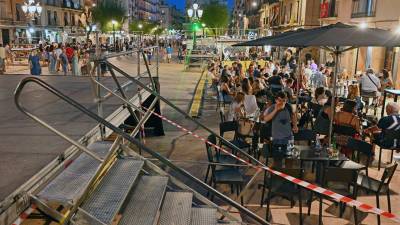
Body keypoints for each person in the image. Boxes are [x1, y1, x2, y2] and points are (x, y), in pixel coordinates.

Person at [260, 91, 298, 167]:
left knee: (289, 159)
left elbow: (293, 116)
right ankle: (276, 176)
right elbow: (265, 119)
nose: (282, 102)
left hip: (289, 137)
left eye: (284, 100)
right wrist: (276, 110)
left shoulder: (288, 106)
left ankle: (288, 177)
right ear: (276, 100)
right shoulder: (272, 107)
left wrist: (295, 125)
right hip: (277, 138)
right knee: (277, 161)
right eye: (280, 100)